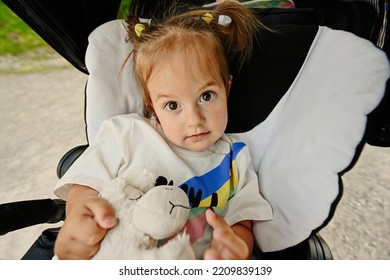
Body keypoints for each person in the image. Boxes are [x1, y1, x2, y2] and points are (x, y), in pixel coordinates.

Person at [53, 1, 272, 260]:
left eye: (206, 96)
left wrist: (237, 246)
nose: (194, 119)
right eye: (172, 105)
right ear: (152, 106)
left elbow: (243, 221)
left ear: (227, 89)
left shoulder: (236, 158)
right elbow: (85, 184)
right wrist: (79, 216)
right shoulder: (127, 133)